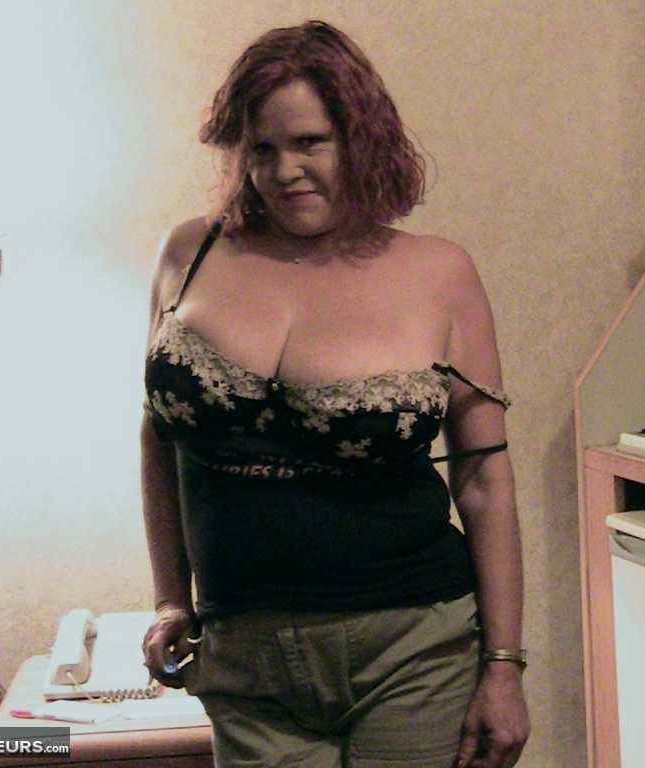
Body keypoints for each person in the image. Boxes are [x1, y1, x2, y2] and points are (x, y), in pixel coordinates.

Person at [139, 20, 529, 768]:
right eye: (261, 149)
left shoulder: (440, 273)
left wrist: (505, 666)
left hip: (412, 648)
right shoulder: (187, 254)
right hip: (243, 658)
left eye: (309, 143)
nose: (284, 171)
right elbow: (159, 440)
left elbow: (484, 480)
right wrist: (170, 599)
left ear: (361, 140)